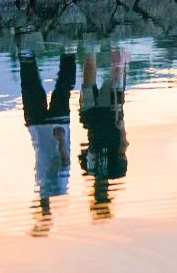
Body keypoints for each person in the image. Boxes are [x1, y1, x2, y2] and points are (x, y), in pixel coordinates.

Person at [19, 46, 76, 222]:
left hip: (39, 129)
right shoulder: (59, 190)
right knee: (62, 88)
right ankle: (68, 51)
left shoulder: (43, 190)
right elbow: (65, 163)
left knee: (32, 88)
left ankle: (28, 54)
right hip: (55, 130)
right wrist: (61, 140)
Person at [78, 42, 129, 219]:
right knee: (114, 78)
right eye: (102, 195)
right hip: (109, 120)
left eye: (97, 195)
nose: (99, 190)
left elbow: (85, 149)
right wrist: (121, 125)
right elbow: (123, 147)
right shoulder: (117, 171)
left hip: (92, 121)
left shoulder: (88, 169)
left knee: (88, 85)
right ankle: (116, 45)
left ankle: (92, 48)